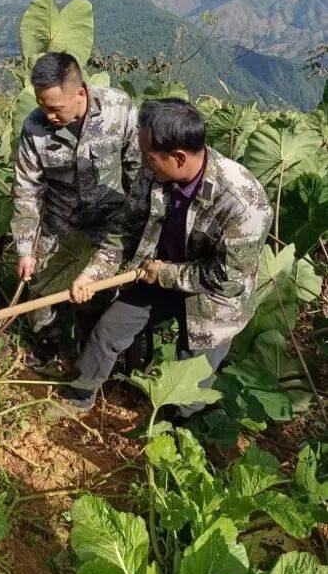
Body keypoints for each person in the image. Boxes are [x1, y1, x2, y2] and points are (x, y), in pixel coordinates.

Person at [64, 97, 273, 412]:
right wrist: (93, 274)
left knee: (188, 385)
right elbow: (126, 229)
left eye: (148, 156)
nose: (142, 161)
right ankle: (78, 399)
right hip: (158, 276)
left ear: (177, 157)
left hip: (215, 298)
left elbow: (225, 278)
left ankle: (174, 435)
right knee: (107, 332)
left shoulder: (243, 202)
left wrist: (164, 273)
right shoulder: (155, 172)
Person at [11, 51, 140, 368]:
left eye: (55, 107)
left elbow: (138, 170)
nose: (48, 114)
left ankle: (93, 355)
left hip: (107, 226)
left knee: (95, 299)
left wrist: (138, 230)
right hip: (60, 224)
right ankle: (49, 347)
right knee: (39, 294)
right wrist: (25, 249)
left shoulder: (117, 109)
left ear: (80, 92)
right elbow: (27, 189)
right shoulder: (35, 127)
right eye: (42, 105)